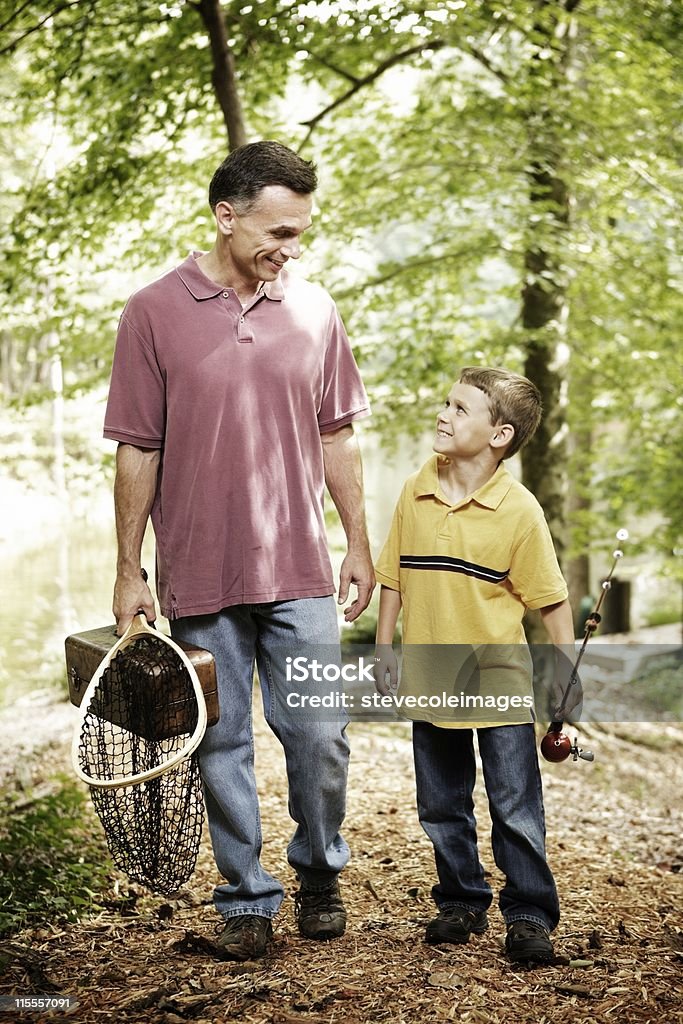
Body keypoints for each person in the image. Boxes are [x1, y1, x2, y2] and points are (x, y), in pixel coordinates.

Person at [104, 140, 375, 960]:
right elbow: (136, 448)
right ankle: (245, 901)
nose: (291, 250)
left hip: (298, 568)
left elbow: (337, 435)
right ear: (226, 215)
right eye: (279, 232)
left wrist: (359, 542)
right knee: (218, 744)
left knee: (320, 735)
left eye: (300, 235)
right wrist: (128, 569)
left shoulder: (315, 309)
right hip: (196, 573)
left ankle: (319, 870)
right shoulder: (153, 311)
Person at [373, 366, 577, 964]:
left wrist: (565, 687)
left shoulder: (520, 511)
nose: (444, 414)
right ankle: (461, 899)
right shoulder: (416, 488)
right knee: (441, 804)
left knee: (514, 807)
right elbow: (393, 575)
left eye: (461, 409)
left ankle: (530, 913)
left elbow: (554, 607)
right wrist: (385, 647)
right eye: (446, 403)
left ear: (499, 436)